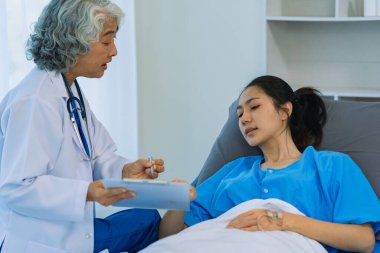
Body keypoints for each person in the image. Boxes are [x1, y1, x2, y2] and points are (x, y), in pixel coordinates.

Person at [0, 1, 165, 252]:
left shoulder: (69, 88)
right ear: (71, 44)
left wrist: (124, 170)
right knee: (149, 223)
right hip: (40, 241)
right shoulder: (34, 101)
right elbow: (17, 188)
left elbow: (96, 153)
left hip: (73, 231)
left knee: (148, 218)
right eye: (107, 41)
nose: (114, 52)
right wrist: (86, 192)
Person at [159, 75, 380, 253]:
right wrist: (177, 203)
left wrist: (282, 220)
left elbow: (364, 241)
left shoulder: (331, 166)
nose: (244, 118)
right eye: (239, 114)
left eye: (254, 107)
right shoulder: (233, 172)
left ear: (285, 110)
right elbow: (172, 240)